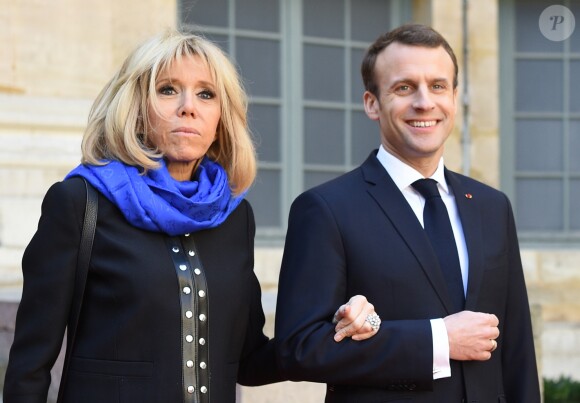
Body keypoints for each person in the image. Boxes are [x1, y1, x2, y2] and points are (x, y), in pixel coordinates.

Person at [3, 29, 379, 403]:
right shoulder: (80, 202)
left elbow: (247, 360)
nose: (188, 106)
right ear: (135, 106)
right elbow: (29, 367)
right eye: (167, 89)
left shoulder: (234, 217)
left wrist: (333, 329)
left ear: (220, 117)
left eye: (205, 94)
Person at [275, 23, 541, 402]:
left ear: (454, 97)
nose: (424, 102)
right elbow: (298, 349)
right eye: (404, 88)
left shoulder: (492, 206)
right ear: (372, 103)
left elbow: (516, 349)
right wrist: (437, 340)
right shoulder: (325, 210)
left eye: (437, 86)